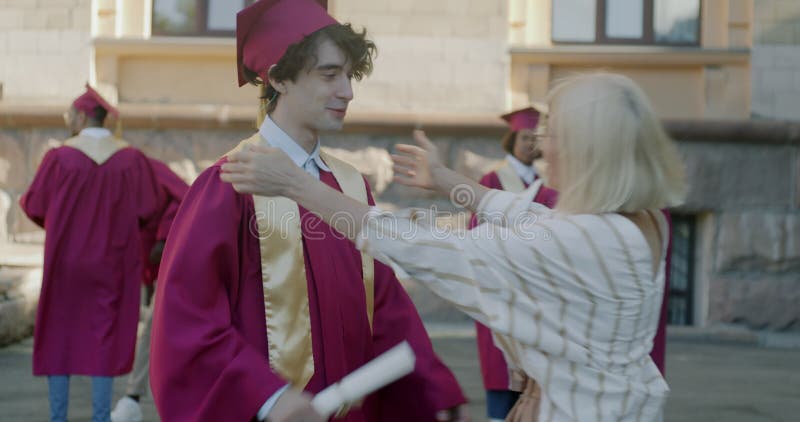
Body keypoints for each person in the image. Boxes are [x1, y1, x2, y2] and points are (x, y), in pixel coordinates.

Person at [220, 72, 687, 421]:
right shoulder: (638, 221)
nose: (543, 150)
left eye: (553, 137)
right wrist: (447, 182)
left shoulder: (583, 241)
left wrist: (297, 185)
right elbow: (526, 215)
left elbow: (426, 245)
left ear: (590, 153)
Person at [149, 1, 466, 421]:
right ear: (279, 78)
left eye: (349, 75)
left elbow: (386, 308)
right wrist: (267, 397)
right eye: (329, 74)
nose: (348, 91)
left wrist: (431, 390)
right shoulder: (231, 184)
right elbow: (186, 321)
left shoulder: (350, 186)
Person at [20, 85, 166, 422]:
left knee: (60, 334)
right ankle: (101, 417)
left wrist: (62, 225)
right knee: (105, 336)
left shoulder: (59, 158)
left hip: (66, 263)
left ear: (84, 116)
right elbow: (149, 206)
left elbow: (34, 204)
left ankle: (59, 417)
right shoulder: (130, 158)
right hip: (113, 265)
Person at [471, 106, 557, 421]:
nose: (531, 144)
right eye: (525, 137)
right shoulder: (492, 179)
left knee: (536, 391)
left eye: (536, 138)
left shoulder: (547, 187)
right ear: (511, 139)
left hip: (538, 301)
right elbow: (476, 237)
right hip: (500, 296)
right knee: (501, 380)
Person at [110, 158, 188, 422]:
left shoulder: (142, 166)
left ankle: (132, 397)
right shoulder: (106, 171)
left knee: (155, 323)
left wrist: (164, 236)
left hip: (179, 255)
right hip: (153, 260)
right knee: (156, 327)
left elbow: (183, 198)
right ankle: (134, 397)